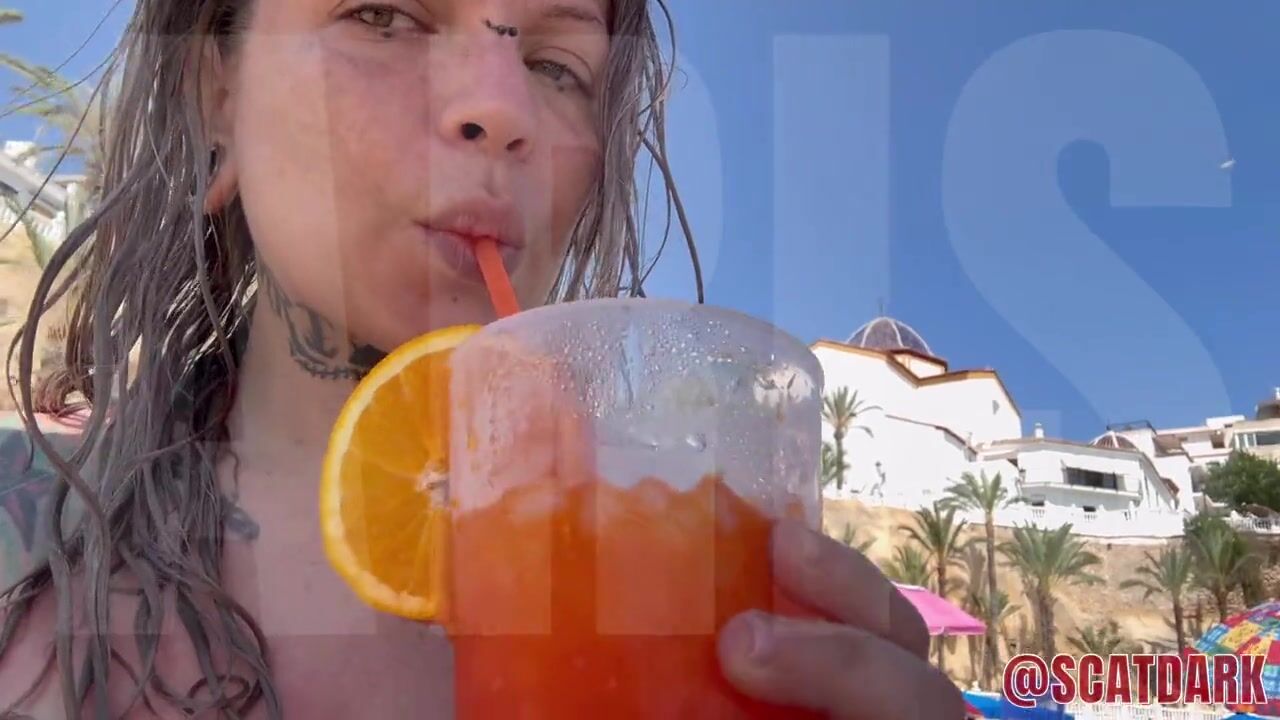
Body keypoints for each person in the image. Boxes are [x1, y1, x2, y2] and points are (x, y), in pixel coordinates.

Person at [0, 0, 962, 717]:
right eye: (383, 14)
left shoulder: (696, 569)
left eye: (557, 66)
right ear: (217, 94)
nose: (502, 109)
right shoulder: (22, 548)